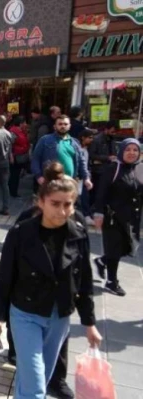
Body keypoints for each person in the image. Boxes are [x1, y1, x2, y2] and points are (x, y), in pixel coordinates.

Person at [0, 162, 102, 399]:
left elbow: (84, 280)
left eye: (67, 204)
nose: (61, 211)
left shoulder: (78, 233)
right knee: (36, 386)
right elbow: (4, 277)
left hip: (59, 316)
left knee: (40, 378)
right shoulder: (21, 233)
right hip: (26, 313)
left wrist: (89, 323)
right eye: (55, 204)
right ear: (41, 202)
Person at [93, 138, 143, 296]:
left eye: (135, 150)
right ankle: (111, 282)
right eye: (128, 149)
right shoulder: (113, 169)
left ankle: (102, 261)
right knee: (114, 250)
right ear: (121, 151)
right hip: (112, 217)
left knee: (129, 247)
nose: (132, 153)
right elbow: (101, 193)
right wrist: (98, 214)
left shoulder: (140, 168)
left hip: (132, 218)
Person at [32, 115, 91, 190]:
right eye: (60, 124)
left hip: (69, 182)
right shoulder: (45, 140)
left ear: (69, 126)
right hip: (50, 182)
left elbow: (82, 161)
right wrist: (39, 176)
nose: (63, 126)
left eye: (65, 124)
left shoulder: (75, 143)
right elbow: (35, 159)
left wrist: (86, 178)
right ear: (55, 126)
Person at [89, 120, 118, 205]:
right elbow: (92, 155)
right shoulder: (97, 140)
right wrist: (107, 158)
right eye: (112, 131)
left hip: (110, 170)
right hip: (98, 170)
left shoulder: (112, 139)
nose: (114, 133)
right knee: (96, 192)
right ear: (106, 129)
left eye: (115, 132)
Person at [8, 115, 30, 198]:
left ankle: (13, 190)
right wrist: (11, 156)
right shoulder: (13, 131)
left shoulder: (22, 131)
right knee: (14, 174)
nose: (26, 124)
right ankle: (12, 191)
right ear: (20, 123)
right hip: (16, 156)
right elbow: (10, 145)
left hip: (21, 155)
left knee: (16, 174)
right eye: (24, 122)